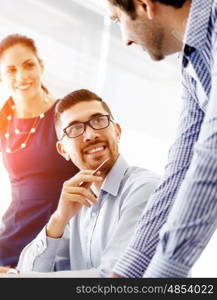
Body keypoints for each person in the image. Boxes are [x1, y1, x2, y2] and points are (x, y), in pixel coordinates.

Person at [0, 89, 159, 277]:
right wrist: (58, 219)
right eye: (75, 129)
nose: (91, 134)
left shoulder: (145, 189)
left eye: (98, 121)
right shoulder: (76, 203)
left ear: (117, 131)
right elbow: (32, 271)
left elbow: (112, 279)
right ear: (63, 151)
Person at [106, 0, 217, 278]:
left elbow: (211, 160)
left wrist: (161, 277)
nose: (126, 40)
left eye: (119, 20)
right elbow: (181, 169)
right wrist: (125, 275)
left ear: (144, 4)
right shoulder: (193, 61)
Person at [0, 34, 77, 267]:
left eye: (28, 65)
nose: (22, 76)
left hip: (61, 244)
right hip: (11, 247)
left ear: (41, 66)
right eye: (11, 70)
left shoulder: (68, 114)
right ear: (0, 77)